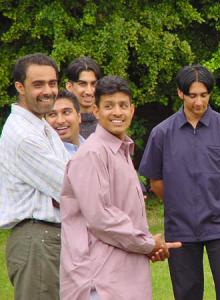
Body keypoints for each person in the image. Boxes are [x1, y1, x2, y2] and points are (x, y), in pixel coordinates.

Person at [60, 75, 181, 300]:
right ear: (95, 111)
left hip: (124, 278)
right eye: (109, 106)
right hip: (100, 282)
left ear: (132, 110)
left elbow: (125, 214)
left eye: (123, 105)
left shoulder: (122, 150)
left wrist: (150, 246)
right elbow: (101, 217)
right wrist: (147, 243)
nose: (117, 112)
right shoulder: (91, 155)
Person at [139, 64, 220, 300]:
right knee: (186, 293)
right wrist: (180, 202)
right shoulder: (162, 133)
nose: (198, 102)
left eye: (204, 95)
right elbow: (155, 180)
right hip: (181, 228)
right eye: (192, 95)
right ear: (180, 93)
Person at [0, 53, 70, 300]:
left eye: (52, 83)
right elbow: (71, 186)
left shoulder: (39, 126)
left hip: (48, 239)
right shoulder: (24, 135)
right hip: (37, 241)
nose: (48, 91)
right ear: (20, 87)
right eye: (38, 84)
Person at [65, 56, 102, 138]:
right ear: (69, 87)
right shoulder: (62, 124)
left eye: (93, 84)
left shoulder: (108, 123)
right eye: (82, 84)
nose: (89, 91)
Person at [46, 90, 84, 154]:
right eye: (52, 114)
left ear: (79, 117)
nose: (60, 121)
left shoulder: (95, 147)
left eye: (66, 112)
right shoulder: (44, 154)